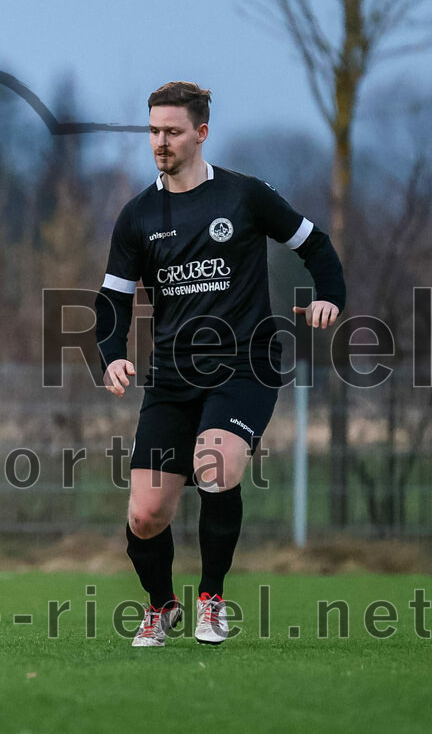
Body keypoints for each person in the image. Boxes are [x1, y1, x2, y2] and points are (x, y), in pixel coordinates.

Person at [95, 82, 345, 647]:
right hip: (171, 377)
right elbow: (111, 300)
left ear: (201, 133)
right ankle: (163, 606)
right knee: (145, 517)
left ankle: (212, 600)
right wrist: (111, 356)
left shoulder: (244, 197)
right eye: (154, 131)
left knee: (214, 465)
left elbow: (315, 244)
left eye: (173, 132)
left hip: (246, 366)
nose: (160, 142)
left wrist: (330, 294)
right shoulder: (137, 215)